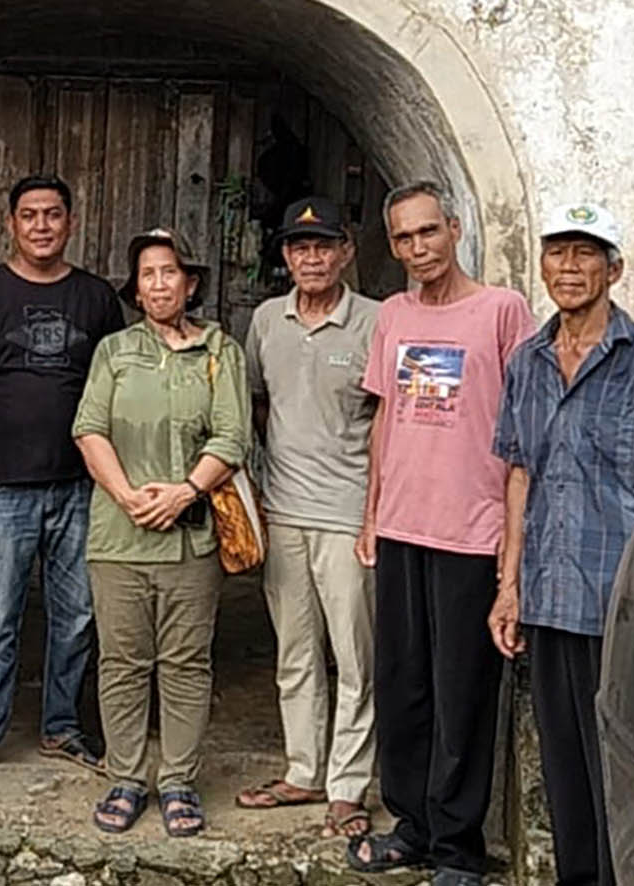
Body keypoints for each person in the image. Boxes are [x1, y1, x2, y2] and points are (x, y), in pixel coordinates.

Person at [488, 203, 634, 886]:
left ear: (613, 269)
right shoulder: (527, 362)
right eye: (557, 252)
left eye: (585, 253)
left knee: (621, 773)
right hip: (548, 599)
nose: (569, 267)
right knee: (562, 773)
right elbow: (519, 475)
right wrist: (508, 587)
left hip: (620, 602)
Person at [347, 181, 536, 885]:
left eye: (428, 231)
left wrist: (514, 541)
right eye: (403, 237)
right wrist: (371, 513)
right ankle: (412, 827)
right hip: (402, 526)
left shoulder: (501, 310)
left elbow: (524, 428)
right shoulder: (393, 315)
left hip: (471, 531)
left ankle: (458, 847)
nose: (417, 247)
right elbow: (385, 420)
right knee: (403, 687)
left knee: (462, 694)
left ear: (454, 229)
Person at [0, 174, 122, 777]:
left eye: (53, 214)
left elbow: (118, 388)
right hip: (0, 488)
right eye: (30, 215)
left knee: (78, 615)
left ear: (71, 222)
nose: (42, 226)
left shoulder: (96, 298)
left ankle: (62, 726)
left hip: (79, 486)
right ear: (10, 224)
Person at [72, 227, 250, 837]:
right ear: (137, 289)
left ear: (190, 283)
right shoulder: (115, 351)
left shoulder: (221, 352)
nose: (158, 284)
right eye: (147, 275)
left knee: (185, 662)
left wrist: (184, 492)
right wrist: (126, 496)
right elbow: (89, 429)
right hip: (118, 537)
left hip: (190, 538)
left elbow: (232, 436)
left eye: (169, 272)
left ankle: (178, 780)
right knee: (122, 661)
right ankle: (125, 777)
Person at [237, 197, 378, 840]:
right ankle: (303, 770)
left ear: (346, 251)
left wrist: (374, 511)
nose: (312, 258)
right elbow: (258, 402)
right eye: (299, 247)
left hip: (348, 514)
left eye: (323, 246)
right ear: (286, 257)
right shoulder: (268, 320)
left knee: (355, 657)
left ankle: (348, 787)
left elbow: (389, 419)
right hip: (284, 510)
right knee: (295, 652)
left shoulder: (375, 321)